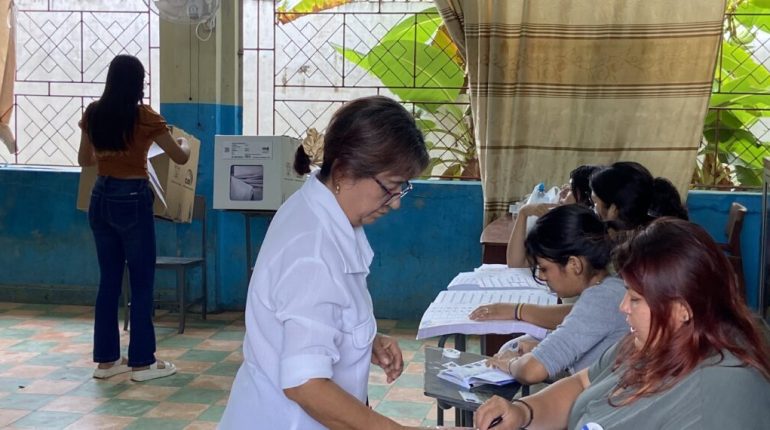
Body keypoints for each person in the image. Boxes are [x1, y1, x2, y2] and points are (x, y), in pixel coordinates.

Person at [219, 96, 451, 430]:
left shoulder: (318, 210)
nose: (396, 203)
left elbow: (312, 314)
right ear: (343, 170)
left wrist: (362, 339)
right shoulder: (313, 250)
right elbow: (305, 384)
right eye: (391, 187)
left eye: (403, 188)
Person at [474, 218, 770, 430]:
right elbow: (581, 383)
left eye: (636, 299)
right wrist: (523, 412)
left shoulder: (720, 394)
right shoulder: (649, 343)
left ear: (682, 309)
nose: (622, 307)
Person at [78, 55, 190, 381]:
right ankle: (142, 362)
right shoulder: (145, 117)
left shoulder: (94, 113)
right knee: (141, 282)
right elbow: (180, 156)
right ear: (138, 82)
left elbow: (85, 159)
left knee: (108, 281)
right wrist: (180, 139)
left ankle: (107, 362)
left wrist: (109, 152)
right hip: (132, 199)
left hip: (100, 197)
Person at [469, 205, 628, 385]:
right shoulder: (611, 286)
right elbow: (575, 315)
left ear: (574, 264)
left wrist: (510, 362)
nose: (542, 276)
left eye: (544, 268)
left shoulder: (601, 299)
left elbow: (531, 372)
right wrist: (538, 345)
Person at [508, 164, 602, 268]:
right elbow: (516, 264)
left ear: (587, 198)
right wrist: (523, 213)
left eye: (570, 189)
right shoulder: (557, 225)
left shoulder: (592, 237)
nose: (561, 193)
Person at [590, 161, 689, 232]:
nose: (592, 208)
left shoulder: (638, 248)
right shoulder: (657, 231)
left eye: (594, 203)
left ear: (614, 209)